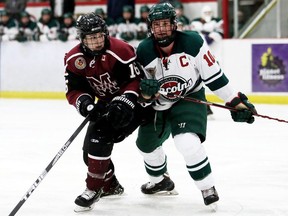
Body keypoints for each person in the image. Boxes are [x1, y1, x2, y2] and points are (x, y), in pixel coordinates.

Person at [135, 3, 257, 207]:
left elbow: (215, 78)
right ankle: (160, 182)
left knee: (187, 142)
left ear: (175, 24)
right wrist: (146, 94)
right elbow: (143, 90)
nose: (162, 29)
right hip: (159, 104)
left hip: (189, 98)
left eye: (165, 23)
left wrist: (235, 101)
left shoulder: (193, 43)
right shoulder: (144, 50)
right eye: (157, 25)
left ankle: (207, 186)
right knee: (146, 146)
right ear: (151, 28)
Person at [64, 12, 153, 212]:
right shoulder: (74, 59)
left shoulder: (120, 50)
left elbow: (135, 80)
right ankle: (111, 186)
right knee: (89, 154)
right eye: (90, 37)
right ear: (81, 38)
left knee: (100, 138)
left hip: (135, 104)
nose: (96, 41)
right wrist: (86, 104)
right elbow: (74, 90)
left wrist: (125, 100)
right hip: (106, 104)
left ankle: (92, 189)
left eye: (99, 36)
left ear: (105, 33)